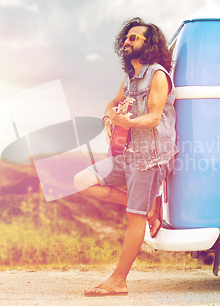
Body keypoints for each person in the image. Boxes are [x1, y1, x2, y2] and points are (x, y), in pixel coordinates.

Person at [73, 17, 179, 297]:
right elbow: (112, 103)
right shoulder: (130, 78)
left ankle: (118, 281)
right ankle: (147, 208)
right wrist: (109, 117)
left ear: (149, 44)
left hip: (151, 158)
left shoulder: (157, 74)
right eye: (126, 38)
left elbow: (155, 118)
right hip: (128, 155)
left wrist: (128, 123)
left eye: (134, 38)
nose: (127, 42)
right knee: (81, 181)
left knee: (134, 220)